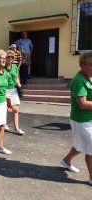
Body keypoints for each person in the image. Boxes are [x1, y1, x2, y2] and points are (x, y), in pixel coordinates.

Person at [60, 51, 92, 186]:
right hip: (81, 120)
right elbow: (83, 104)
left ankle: (66, 161)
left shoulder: (89, 77)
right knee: (90, 149)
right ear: (83, 65)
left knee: (80, 145)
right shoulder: (78, 81)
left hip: (88, 119)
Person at [4, 50, 25, 135]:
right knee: (5, 109)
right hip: (5, 90)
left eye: (12, 57)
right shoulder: (2, 67)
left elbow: (16, 77)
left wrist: (19, 83)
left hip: (14, 90)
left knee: (15, 110)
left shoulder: (15, 67)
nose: (10, 58)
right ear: (5, 58)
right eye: (8, 57)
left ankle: (16, 128)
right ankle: (4, 124)